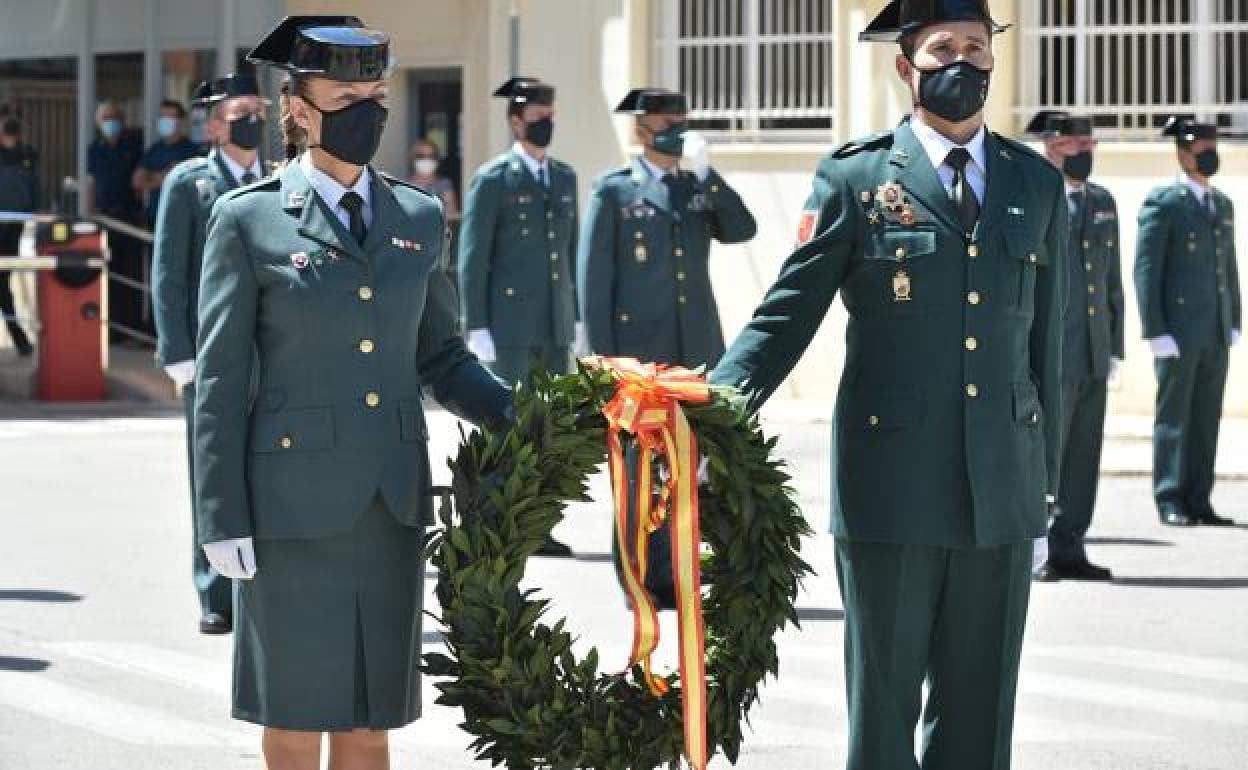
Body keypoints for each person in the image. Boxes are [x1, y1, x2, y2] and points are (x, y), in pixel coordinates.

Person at [708, 2, 1065, 767]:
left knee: (981, 711)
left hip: (1001, 483)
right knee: (884, 706)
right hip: (890, 487)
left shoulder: (1035, 184)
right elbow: (785, 315)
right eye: (944, 50)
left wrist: (1046, 486)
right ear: (907, 68)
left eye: (977, 47)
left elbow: (1048, 349)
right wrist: (714, 410)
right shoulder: (858, 176)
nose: (963, 64)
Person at [193, 16, 510, 769]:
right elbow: (220, 382)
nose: (366, 110)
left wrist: (524, 411)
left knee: (371, 723)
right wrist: (219, 515)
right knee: (297, 719)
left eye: (376, 94)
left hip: (390, 506)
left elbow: (439, 354)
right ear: (298, 108)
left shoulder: (418, 215)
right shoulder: (249, 219)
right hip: (289, 512)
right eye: (347, 95)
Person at [151, 73, 268, 635]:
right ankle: (214, 591)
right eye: (244, 111)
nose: (256, 121)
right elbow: (169, 271)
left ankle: (260, 581)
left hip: (265, 352)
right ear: (216, 123)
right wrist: (177, 349)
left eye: (260, 111)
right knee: (213, 469)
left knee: (265, 463)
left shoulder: (275, 180)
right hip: (208, 350)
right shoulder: (189, 182)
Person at [457, 76, 580, 558]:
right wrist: (476, 325)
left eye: (550, 117)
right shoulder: (494, 178)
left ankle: (539, 525)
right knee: (507, 426)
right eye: (537, 118)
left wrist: (578, 318)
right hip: (507, 328)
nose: (546, 124)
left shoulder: (564, 177)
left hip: (554, 325)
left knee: (547, 427)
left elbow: (570, 252)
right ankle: (496, 525)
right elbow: (473, 257)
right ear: (515, 121)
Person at [577, 88, 756, 370]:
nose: (677, 132)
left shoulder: (696, 184)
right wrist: (600, 352)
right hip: (640, 345)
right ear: (642, 133)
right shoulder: (614, 190)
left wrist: (707, 174)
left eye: (682, 124)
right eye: (668, 125)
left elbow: (742, 229)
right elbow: (594, 279)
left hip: (697, 341)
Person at [1026, 110, 1121, 582]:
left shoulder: (1102, 201)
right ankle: (1038, 548)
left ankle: (1071, 546)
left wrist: (1115, 346)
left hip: (1093, 350)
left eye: (1089, 147)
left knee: (1083, 455)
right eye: (1074, 147)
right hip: (1049, 350)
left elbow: (1112, 284)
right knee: (1046, 454)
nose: (1084, 154)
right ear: (1050, 147)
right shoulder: (1035, 200)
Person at [1134, 116, 1241, 527]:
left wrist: (1233, 319)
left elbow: (1227, 267)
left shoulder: (1222, 203)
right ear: (1182, 152)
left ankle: (1200, 498)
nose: (1209, 154)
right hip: (1177, 331)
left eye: (1213, 146)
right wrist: (1155, 329)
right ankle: (1170, 496)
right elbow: (1147, 269)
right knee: (1175, 417)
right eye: (1201, 147)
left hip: (1215, 328)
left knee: (1206, 417)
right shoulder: (1165, 202)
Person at [86, 101, 144, 340]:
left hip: (129, 218)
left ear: (121, 121)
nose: (110, 122)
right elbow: (90, 183)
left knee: (130, 275)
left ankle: (131, 328)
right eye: (105, 118)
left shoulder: (132, 146)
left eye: (114, 117)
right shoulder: (94, 149)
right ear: (98, 123)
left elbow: (139, 183)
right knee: (107, 276)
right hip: (105, 218)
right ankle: (111, 331)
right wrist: (90, 214)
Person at [0, 110, 37, 356]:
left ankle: (21, 339)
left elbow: (31, 188)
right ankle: (21, 339)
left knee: (2, 283)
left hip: (12, 226)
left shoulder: (27, 154)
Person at [134, 99, 201, 227]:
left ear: (180, 121)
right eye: (163, 117)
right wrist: (164, 177)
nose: (166, 121)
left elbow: (194, 183)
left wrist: (154, 177)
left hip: (183, 218)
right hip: (155, 217)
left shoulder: (192, 151)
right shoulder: (154, 150)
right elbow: (137, 181)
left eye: (170, 117)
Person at [407, 138, 458, 219]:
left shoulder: (445, 185)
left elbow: (451, 215)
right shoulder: (403, 186)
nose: (426, 159)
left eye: (431, 156)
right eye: (421, 156)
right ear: (413, 158)